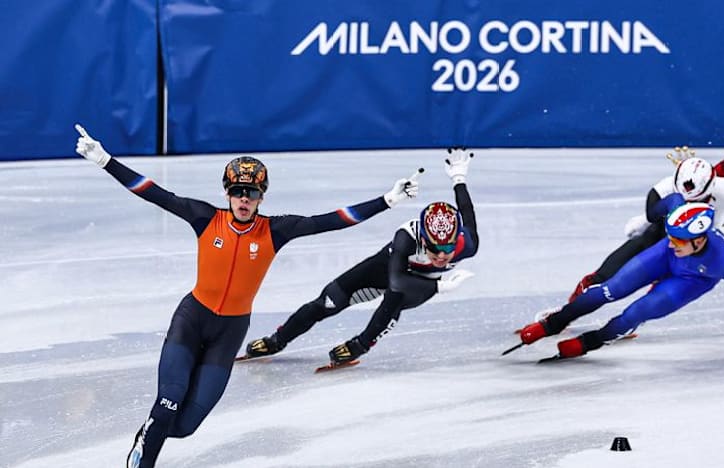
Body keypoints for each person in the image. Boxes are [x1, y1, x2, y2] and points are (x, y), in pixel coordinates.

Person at [73, 124, 420, 468]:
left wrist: (387, 201)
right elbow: (153, 192)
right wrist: (105, 160)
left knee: (183, 426)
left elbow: (333, 220)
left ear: (261, 197)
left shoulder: (276, 230)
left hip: (229, 333)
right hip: (192, 321)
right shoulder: (205, 218)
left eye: (251, 193)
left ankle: (149, 433)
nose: (244, 199)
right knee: (167, 404)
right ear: (227, 192)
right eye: (238, 191)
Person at [243, 148, 478, 367]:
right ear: (422, 238)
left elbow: (466, 212)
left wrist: (459, 178)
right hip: (387, 270)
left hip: (416, 287)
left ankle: (360, 344)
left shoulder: (467, 244)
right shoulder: (406, 236)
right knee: (327, 301)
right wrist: (440, 286)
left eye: (447, 248)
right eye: (433, 247)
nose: (440, 255)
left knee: (393, 301)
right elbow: (395, 279)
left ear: (456, 239)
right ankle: (277, 340)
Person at [515, 196, 724, 376]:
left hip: (691, 280)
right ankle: (552, 324)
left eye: (679, 240)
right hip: (662, 260)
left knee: (636, 313)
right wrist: (648, 218)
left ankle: (590, 342)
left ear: (699, 240)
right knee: (610, 289)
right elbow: (672, 199)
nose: (672, 243)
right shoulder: (674, 240)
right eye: (670, 237)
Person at [567, 146, 724, 304]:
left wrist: (704, 169)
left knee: (664, 282)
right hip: (663, 229)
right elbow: (652, 215)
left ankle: (634, 318)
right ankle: (572, 305)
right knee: (617, 267)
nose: (687, 204)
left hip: (697, 241)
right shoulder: (665, 188)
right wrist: (644, 220)